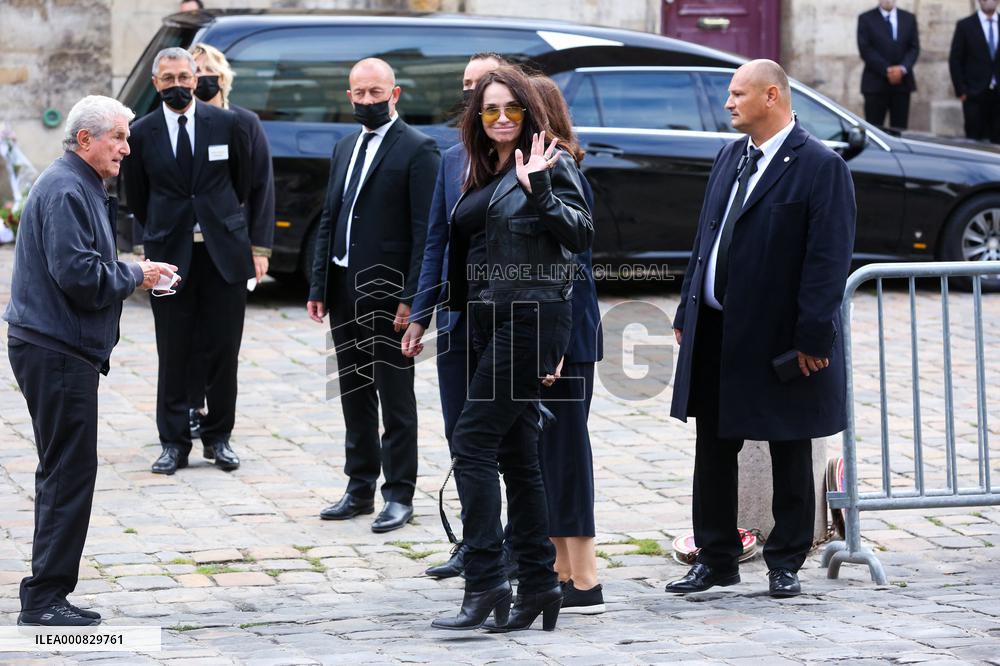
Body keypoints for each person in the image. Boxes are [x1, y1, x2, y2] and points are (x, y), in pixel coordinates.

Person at [666, 60, 856, 599]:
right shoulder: (730, 156)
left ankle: (786, 561)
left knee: (789, 446)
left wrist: (813, 339)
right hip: (718, 330)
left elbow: (827, 261)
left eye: (737, 93)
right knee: (714, 444)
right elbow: (706, 241)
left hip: (780, 337)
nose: (728, 103)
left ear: (771, 96)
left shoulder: (820, 167)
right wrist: (687, 310)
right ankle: (716, 557)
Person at [427, 66, 593, 632]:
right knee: (517, 453)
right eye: (490, 109)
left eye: (511, 109)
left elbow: (581, 236)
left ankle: (486, 580)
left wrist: (540, 189)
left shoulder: (550, 161)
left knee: (471, 441)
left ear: (528, 112)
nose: (500, 119)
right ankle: (541, 584)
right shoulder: (480, 167)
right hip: (483, 318)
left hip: (530, 317)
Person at [4, 95, 174, 626]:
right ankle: (44, 599)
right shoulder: (65, 187)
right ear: (85, 139)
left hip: (59, 346)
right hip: (55, 349)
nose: (127, 147)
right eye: (118, 137)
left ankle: (48, 591)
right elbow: (79, 276)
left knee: (67, 469)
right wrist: (137, 275)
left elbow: (84, 262)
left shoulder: (80, 184)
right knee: (67, 473)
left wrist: (129, 268)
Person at [306, 58, 440, 534]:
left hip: (390, 295)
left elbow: (427, 231)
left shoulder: (419, 150)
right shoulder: (344, 145)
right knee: (354, 391)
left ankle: (399, 493)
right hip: (344, 291)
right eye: (359, 93)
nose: (367, 101)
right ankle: (358, 485)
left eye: (375, 93)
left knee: (395, 395)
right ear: (349, 96)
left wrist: (412, 296)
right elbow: (330, 218)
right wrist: (319, 285)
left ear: (395, 93)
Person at [123, 46, 251, 475]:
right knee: (173, 351)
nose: (177, 85)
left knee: (223, 351)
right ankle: (173, 442)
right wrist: (161, 231)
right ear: (156, 84)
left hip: (222, 256)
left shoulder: (227, 124)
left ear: (196, 79)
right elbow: (137, 196)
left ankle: (219, 438)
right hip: (170, 256)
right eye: (168, 79)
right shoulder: (140, 133)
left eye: (183, 77)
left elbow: (242, 183)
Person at [403, 51, 508, 579]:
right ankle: (475, 540)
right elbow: (436, 244)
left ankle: (514, 546)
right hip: (460, 320)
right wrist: (420, 314)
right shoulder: (450, 160)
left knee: (509, 440)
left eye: (483, 85)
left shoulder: (528, 158)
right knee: (460, 433)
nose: (474, 95)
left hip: (513, 324)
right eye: (467, 87)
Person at [528, 74, 605, 615]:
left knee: (566, 454)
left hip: (564, 335)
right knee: (544, 455)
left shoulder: (560, 169)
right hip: (544, 331)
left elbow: (571, 262)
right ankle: (560, 569)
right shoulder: (533, 169)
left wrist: (554, 342)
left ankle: (586, 579)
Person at [183, 42, 275, 438]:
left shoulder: (243, 122)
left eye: (208, 70)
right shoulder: (176, 123)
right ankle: (186, 408)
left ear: (222, 77)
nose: (201, 78)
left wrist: (259, 248)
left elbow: (259, 188)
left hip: (228, 246)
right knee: (186, 339)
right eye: (194, 71)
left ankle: (218, 424)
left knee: (222, 340)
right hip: (184, 249)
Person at [857, 0, 919, 129]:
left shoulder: (909, 18)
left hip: (902, 84)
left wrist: (902, 69)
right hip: (875, 84)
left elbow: (914, 48)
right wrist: (887, 70)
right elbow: (865, 49)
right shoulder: (866, 18)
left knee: (899, 129)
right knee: (874, 128)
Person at [949, 0, 1000, 143]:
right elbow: (955, 60)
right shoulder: (965, 25)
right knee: (974, 141)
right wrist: (962, 90)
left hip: (998, 95)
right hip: (974, 95)